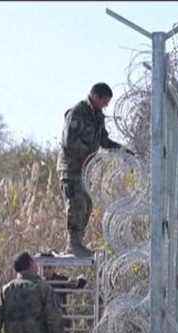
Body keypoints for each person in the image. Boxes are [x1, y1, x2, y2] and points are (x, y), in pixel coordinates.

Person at [57, 82, 134, 258]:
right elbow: (68, 142)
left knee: (87, 204)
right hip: (71, 168)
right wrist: (87, 155)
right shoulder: (77, 112)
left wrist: (122, 150)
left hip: (85, 169)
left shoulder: (97, 116)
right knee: (77, 203)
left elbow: (104, 141)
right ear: (95, 96)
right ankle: (73, 244)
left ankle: (78, 242)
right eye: (105, 101)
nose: (106, 105)